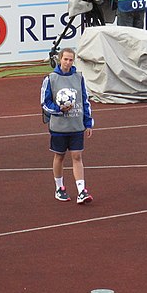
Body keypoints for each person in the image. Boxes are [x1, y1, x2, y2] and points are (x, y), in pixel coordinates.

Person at [41, 47, 93, 204]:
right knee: (60, 156)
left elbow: (85, 101)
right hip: (59, 127)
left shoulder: (79, 77)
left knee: (77, 156)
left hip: (76, 125)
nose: (68, 62)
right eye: (65, 59)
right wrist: (58, 109)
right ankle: (59, 188)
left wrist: (88, 122)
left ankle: (81, 191)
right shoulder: (51, 78)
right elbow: (45, 102)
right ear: (60, 59)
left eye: (71, 60)